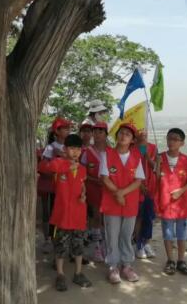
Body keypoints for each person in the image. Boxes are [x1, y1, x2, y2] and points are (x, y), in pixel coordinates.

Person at [38, 134, 92, 292]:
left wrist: (84, 194)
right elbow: (43, 167)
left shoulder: (82, 169)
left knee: (78, 246)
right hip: (61, 215)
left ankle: (78, 273)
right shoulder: (58, 163)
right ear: (64, 149)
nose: (75, 152)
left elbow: (82, 185)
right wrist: (67, 166)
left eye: (78, 149)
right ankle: (60, 274)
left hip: (78, 215)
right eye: (71, 148)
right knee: (60, 246)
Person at [99, 123, 144, 284]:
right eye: (121, 133)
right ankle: (113, 266)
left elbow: (138, 181)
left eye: (128, 134)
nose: (123, 136)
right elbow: (104, 177)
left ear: (132, 140)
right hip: (111, 203)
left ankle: (126, 265)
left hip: (129, 202)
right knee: (112, 235)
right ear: (117, 135)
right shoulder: (107, 154)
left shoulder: (136, 156)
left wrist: (121, 193)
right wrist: (117, 194)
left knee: (126, 235)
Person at [154, 128, 187, 276]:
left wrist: (180, 191)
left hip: (182, 203)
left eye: (175, 139)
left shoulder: (186, 159)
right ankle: (170, 260)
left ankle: (181, 260)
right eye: (169, 138)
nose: (171, 141)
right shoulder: (160, 157)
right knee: (168, 232)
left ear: (182, 143)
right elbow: (158, 178)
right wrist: (157, 164)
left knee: (181, 233)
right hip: (166, 202)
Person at [39, 117, 72, 253]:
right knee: (51, 214)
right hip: (53, 188)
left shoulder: (70, 147)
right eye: (65, 128)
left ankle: (62, 241)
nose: (68, 130)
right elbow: (43, 166)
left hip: (66, 187)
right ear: (57, 131)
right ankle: (49, 240)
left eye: (68, 128)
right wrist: (55, 158)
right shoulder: (50, 147)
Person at [80, 121, 111, 263]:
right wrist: (94, 180)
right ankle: (97, 247)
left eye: (101, 132)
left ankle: (106, 246)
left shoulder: (112, 151)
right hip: (93, 189)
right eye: (95, 132)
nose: (97, 135)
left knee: (107, 219)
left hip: (109, 190)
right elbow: (83, 172)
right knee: (96, 218)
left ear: (106, 134)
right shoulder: (87, 152)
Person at [134, 128, 157, 259]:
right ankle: (139, 245)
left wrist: (148, 158)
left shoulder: (153, 148)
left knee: (149, 217)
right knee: (138, 217)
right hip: (136, 187)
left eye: (145, 133)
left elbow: (156, 167)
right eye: (140, 133)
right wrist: (139, 184)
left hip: (150, 187)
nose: (143, 135)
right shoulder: (131, 148)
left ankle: (147, 243)